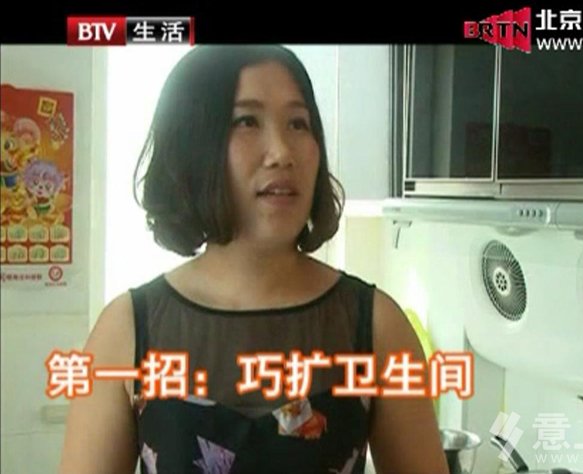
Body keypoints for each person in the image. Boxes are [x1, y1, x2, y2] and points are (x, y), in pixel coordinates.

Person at [59, 45, 449, 474]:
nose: (282, 151)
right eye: (246, 121)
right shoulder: (126, 331)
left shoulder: (376, 326)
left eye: (298, 123)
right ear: (191, 145)